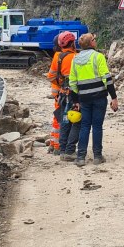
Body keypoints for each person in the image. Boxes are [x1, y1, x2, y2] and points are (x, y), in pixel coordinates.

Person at [68, 33, 118, 166]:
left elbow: (72, 83)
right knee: (97, 126)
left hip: (84, 99)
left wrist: (76, 101)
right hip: (99, 98)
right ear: (91, 43)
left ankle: (80, 157)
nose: (96, 41)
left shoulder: (75, 60)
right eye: (94, 39)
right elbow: (106, 79)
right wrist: (114, 97)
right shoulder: (98, 57)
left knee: (85, 126)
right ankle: (97, 156)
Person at [47, 32, 80, 161]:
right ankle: (69, 149)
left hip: (61, 94)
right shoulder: (76, 57)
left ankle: (59, 147)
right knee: (75, 120)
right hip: (74, 94)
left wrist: (60, 84)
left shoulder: (57, 57)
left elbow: (51, 76)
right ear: (72, 43)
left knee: (62, 120)